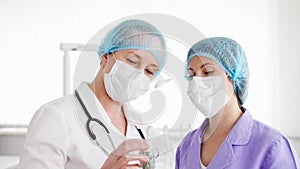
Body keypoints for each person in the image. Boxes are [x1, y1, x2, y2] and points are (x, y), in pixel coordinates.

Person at [18, 19, 167, 169]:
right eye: (132, 60)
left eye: (149, 71)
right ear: (105, 58)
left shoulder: (139, 127)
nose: (138, 74)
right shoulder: (56, 116)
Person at [175, 37, 300, 169]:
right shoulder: (186, 146)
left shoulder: (272, 145)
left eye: (207, 72)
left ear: (234, 76)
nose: (197, 82)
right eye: (191, 75)